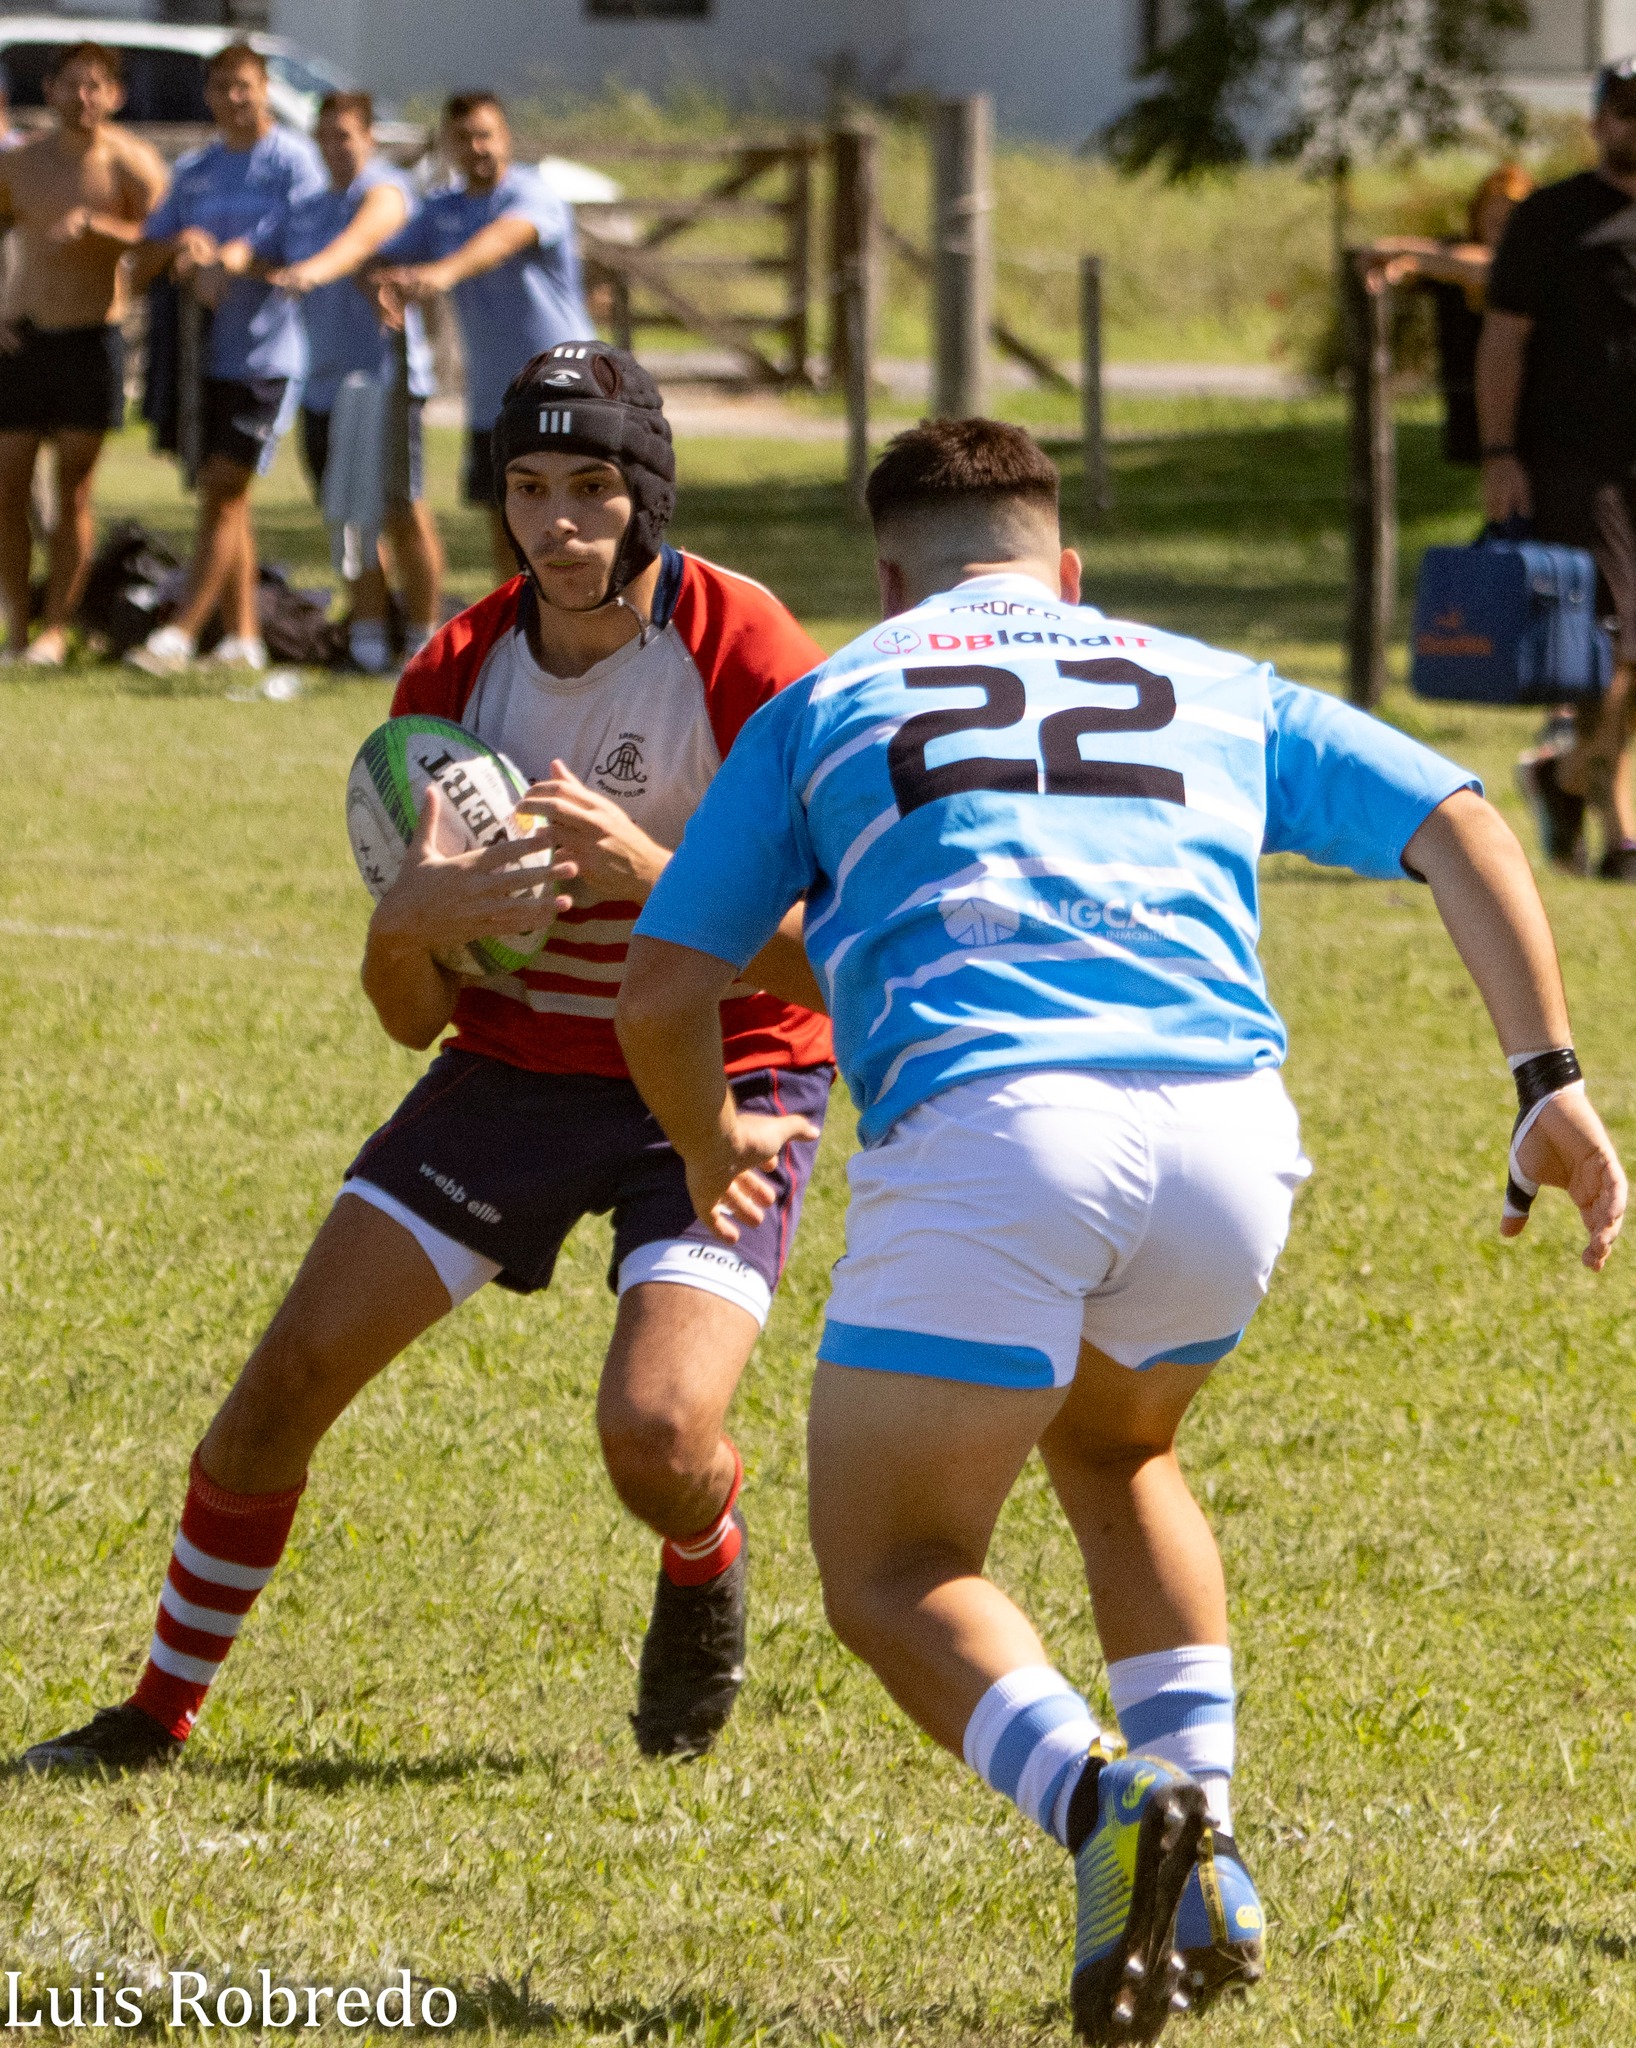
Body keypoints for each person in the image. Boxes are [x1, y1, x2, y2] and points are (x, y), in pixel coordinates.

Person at [615, 419, 1626, 2042]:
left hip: (1003, 1132)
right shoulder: (1207, 677)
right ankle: (1205, 1849)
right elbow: (1456, 815)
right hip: (1230, 1142)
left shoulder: (829, 697)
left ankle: (1108, 1799)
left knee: (892, 1565)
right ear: (1065, 570)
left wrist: (705, 1134)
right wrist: (1547, 1078)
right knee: (1116, 1449)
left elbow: (663, 985)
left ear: (886, 580)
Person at [20, 342, 835, 1777]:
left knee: (654, 1438)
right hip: (515, 1072)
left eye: (593, 487)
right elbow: (412, 1014)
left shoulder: (748, 652)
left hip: (720, 1079)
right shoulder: (456, 675)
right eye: (526, 487)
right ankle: (156, 1715)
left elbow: (840, 954)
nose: (558, 522)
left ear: (649, 494)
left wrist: (654, 874)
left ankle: (705, 1553)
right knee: (278, 1392)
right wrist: (410, 926)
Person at [216, 89, 443, 673]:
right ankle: (368, 633)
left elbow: (358, 245)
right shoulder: (309, 206)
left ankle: (425, 636)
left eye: (346, 135)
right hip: (321, 386)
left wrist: (310, 273)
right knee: (347, 513)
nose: (335, 147)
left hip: (385, 380)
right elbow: (261, 251)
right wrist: (220, 260)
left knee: (400, 507)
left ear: (368, 137)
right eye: (326, 136)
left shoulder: (387, 191)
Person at [1479, 59, 1636, 880]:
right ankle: (1621, 834)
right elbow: (1502, 339)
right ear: (1597, 122)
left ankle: (1562, 775)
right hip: (1578, 467)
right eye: (1624, 110)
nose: (1633, 125)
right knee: (1615, 647)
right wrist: (1501, 454)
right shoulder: (1553, 218)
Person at [124, 43, 326, 677]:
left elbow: (309, 260)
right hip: (204, 360)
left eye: (246, 86)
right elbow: (140, 265)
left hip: (270, 356)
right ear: (208, 95)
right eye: (222, 88)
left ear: (266, 89)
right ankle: (243, 637)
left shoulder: (296, 164)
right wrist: (184, 249)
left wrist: (240, 259)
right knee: (226, 496)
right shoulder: (195, 170)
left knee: (221, 488)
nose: (235, 99)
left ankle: (180, 632)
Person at [371, 91, 591, 588]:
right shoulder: (442, 210)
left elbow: (501, 240)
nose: (477, 148)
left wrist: (444, 272)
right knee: (508, 519)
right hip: (494, 397)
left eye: (486, 135)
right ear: (448, 147)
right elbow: (383, 258)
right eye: (464, 138)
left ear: (506, 139)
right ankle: (523, 636)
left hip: (565, 386)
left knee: (578, 519)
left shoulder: (531, 195)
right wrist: (381, 284)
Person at [0, 43, 166, 666]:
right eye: (71, 84)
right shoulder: (20, 164)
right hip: (24, 339)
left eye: (96, 86)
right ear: (50, 89)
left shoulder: (133, 164)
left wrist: (106, 233)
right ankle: (18, 626)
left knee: (74, 491)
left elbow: (163, 240)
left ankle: (55, 628)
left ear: (115, 95)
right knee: (8, 487)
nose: (83, 97)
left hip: (92, 338)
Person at [1360, 164, 1533, 467]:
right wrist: (1391, 267)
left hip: (1529, 409)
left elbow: (1483, 268)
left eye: (1512, 220)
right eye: (1494, 220)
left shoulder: (1533, 265)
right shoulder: (1446, 255)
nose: (1502, 228)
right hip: (1467, 405)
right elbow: (1425, 264)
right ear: (1477, 217)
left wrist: (1402, 254)